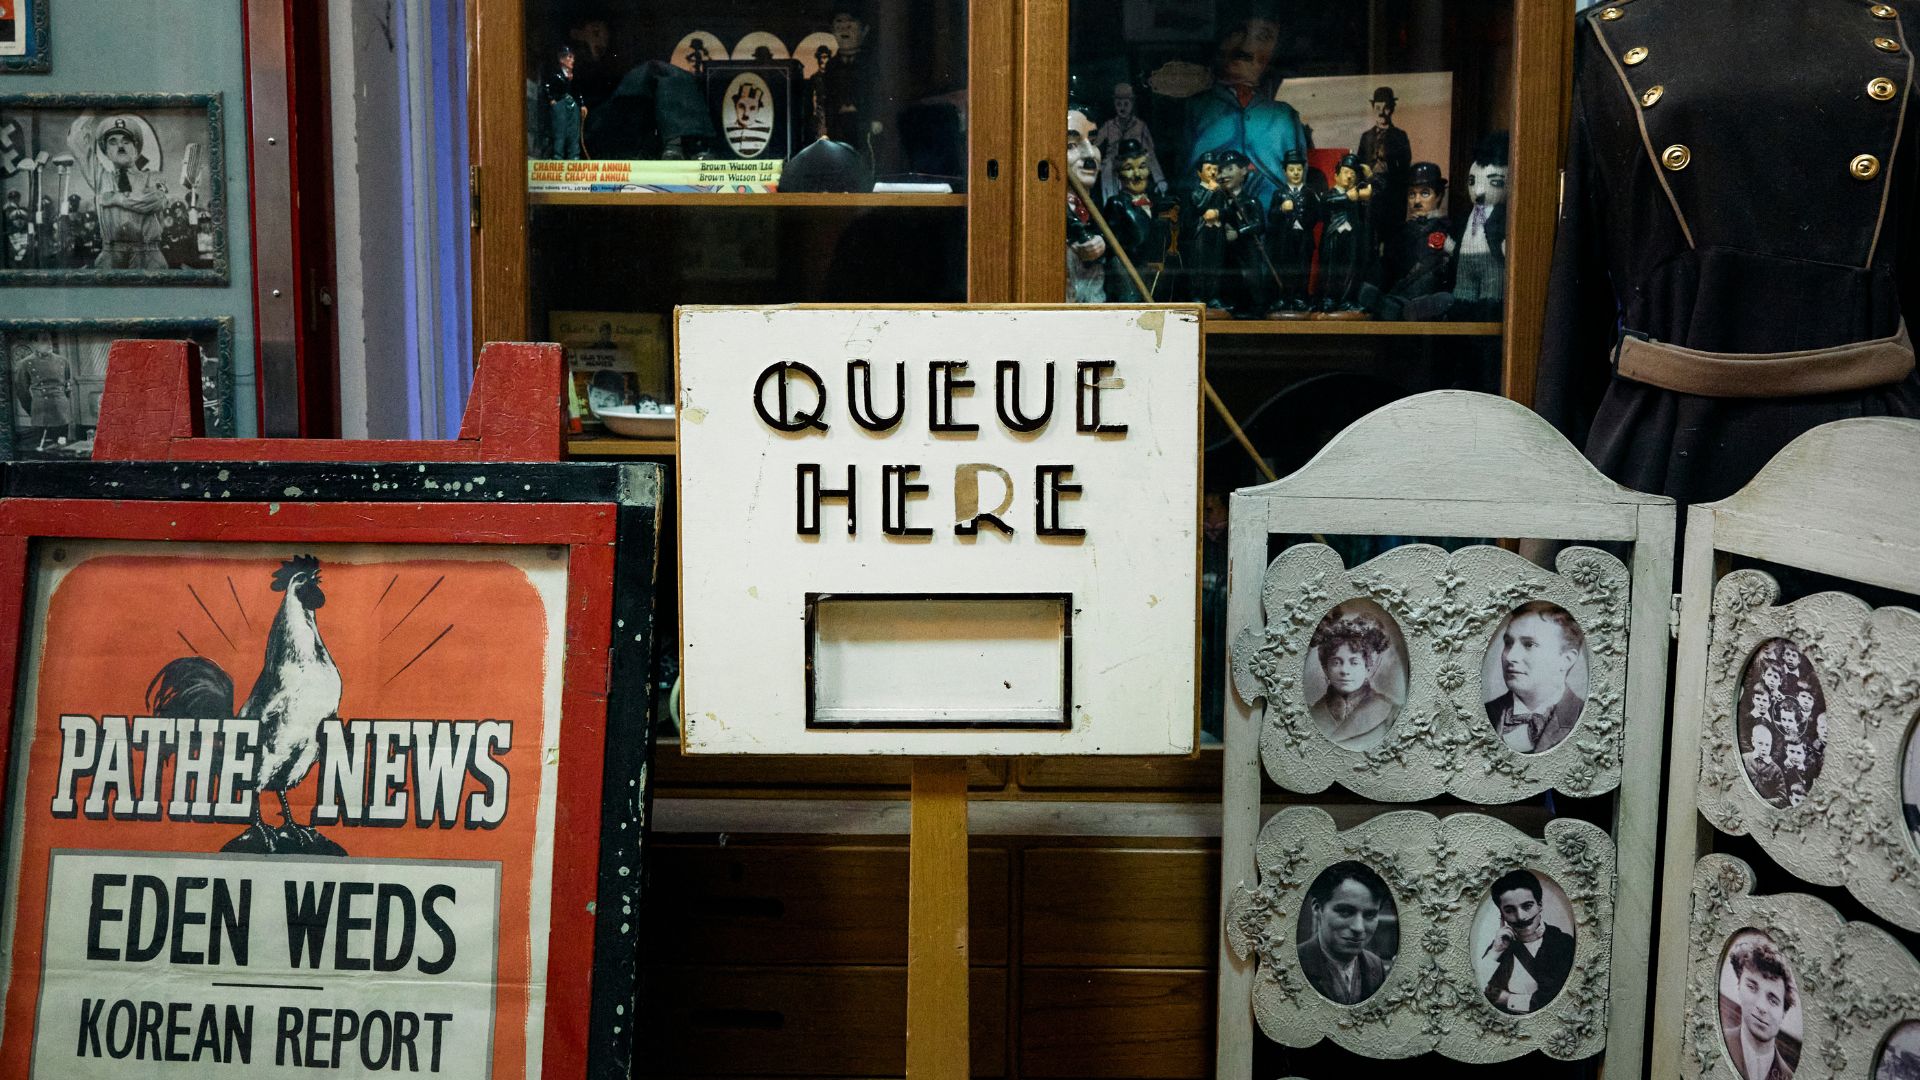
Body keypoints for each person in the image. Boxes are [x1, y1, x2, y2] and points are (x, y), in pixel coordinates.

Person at [1182, 2, 1309, 210]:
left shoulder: (1284, 116)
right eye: (1237, 32)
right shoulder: (1197, 109)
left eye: (1264, 37)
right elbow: (1183, 181)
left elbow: (1299, 182)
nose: (1247, 48)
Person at [1484, 600, 1586, 754]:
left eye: (1529, 644)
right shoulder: (1487, 712)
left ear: (1566, 660)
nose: (1511, 656)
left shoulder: (1584, 718)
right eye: (1508, 643)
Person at [73, 114, 169, 270]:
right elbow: (75, 142)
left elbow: (155, 201)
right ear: (106, 151)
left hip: (147, 254)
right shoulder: (101, 178)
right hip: (111, 255)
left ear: (135, 148)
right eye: (113, 142)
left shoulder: (153, 176)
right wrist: (89, 111)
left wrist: (115, 198)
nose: (120, 146)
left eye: (126, 141)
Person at [1296, 861, 1391, 1005]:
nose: (1358, 928)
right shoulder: (1294, 961)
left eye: (1370, 915)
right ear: (1317, 908)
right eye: (1346, 912)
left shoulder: (1376, 966)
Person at [1482, 869, 1575, 1015]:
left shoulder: (1563, 943)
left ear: (1540, 905)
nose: (1521, 917)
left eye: (1527, 906)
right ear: (1502, 915)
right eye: (1509, 910)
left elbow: (1556, 999)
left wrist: (1506, 999)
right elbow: (1479, 991)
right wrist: (1495, 952)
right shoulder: (1499, 945)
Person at [1307, 608, 1398, 750]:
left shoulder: (1389, 711)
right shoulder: (1311, 714)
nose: (1344, 671)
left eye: (1354, 663)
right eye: (1336, 662)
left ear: (1367, 667)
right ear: (1325, 668)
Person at [1101, 139, 1173, 301]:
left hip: (1158, 277)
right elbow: (1113, 255)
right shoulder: (1116, 204)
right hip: (1132, 280)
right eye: (1129, 168)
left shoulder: (1158, 203)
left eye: (1142, 167)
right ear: (1119, 173)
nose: (1137, 175)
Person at [1723, 936, 1800, 1080]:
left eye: (1773, 1000)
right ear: (1739, 986)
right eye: (1752, 987)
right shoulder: (1722, 1042)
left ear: (1784, 1012)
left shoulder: (1790, 1077)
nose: (1761, 1006)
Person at [1451, 132, 1508, 319]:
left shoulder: (1500, 214)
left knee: (1490, 301)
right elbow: (1461, 235)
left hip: (1491, 262)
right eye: (1473, 182)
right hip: (1465, 263)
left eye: (1494, 182)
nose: (1479, 190)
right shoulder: (1468, 214)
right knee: (1462, 297)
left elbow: (1500, 235)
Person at [1316, 153, 1374, 317]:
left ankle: (1346, 299)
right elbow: (1326, 203)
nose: (1349, 176)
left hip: (1352, 238)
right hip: (1333, 237)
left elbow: (1377, 195)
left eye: (1353, 174)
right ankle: (1329, 298)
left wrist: (1370, 178)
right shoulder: (1330, 194)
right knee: (1331, 269)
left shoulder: (1358, 195)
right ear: (1336, 175)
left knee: (1350, 269)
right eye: (1346, 172)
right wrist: (1347, 197)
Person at [1265, 148, 1318, 317]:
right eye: (1292, 169)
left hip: (1303, 237)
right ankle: (1284, 297)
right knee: (1285, 267)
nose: (1296, 173)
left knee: (1302, 267)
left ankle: (1300, 297)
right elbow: (1271, 217)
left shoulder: (1309, 193)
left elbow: (1316, 214)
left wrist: (1305, 221)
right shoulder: (1279, 193)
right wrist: (1281, 208)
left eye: (1299, 169)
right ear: (1285, 171)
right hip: (1284, 238)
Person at [1066, 102, 1108, 304]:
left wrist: (1099, 241)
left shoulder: (1094, 204)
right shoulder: (1049, 210)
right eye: (1071, 145)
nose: (1090, 154)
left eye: (1093, 140)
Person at [1356, 86, 1411, 239]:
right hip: (1370, 195)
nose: (1381, 112)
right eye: (1378, 107)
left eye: (1386, 107)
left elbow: (1405, 168)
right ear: (1373, 107)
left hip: (1391, 196)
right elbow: (1359, 166)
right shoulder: (1366, 136)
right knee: (1369, 235)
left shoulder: (1400, 136)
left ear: (1392, 108)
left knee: (1391, 238)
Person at [1095, 80, 1164, 202]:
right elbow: (1094, 146)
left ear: (1132, 104)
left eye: (1126, 104)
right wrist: (1097, 165)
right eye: (1119, 104)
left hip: (1133, 170)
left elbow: (1151, 154)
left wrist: (1160, 180)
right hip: (1112, 172)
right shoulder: (1109, 126)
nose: (1122, 108)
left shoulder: (1140, 126)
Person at [544, 44, 585, 159]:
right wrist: (551, 99)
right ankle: (558, 156)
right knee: (560, 131)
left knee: (573, 132)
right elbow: (547, 87)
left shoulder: (573, 77)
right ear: (562, 59)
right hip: (560, 105)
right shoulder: (556, 75)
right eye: (569, 57)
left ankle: (574, 156)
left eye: (573, 57)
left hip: (572, 106)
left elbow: (578, 92)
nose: (572, 60)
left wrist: (581, 105)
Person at [1743, 717, 1788, 806]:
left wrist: (1764, 803)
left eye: (1767, 745)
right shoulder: (1744, 759)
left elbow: (1782, 798)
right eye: (1760, 743)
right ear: (1753, 741)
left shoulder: (1776, 769)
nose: (1764, 748)